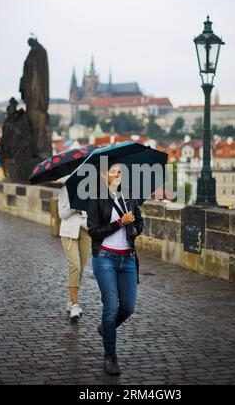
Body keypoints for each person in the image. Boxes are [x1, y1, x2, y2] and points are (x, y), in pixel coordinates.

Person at [87, 157, 144, 375]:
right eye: (114, 171)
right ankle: (110, 356)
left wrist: (135, 228)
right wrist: (119, 223)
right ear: (105, 175)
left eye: (121, 171)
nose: (119, 175)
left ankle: (106, 328)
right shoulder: (97, 199)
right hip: (105, 257)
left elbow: (140, 223)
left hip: (128, 258)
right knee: (111, 306)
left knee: (128, 307)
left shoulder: (128, 197)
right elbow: (93, 232)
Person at [58, 184, 91, 320]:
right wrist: (74, 207)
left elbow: (91, 211)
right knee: (75, 267)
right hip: (68, 232)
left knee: (81, 269)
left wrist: (82, 210)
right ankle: (75, 305)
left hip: (85, 231)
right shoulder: (65, 190)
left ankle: (71, 300)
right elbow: (62, 214)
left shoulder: (90, 189)